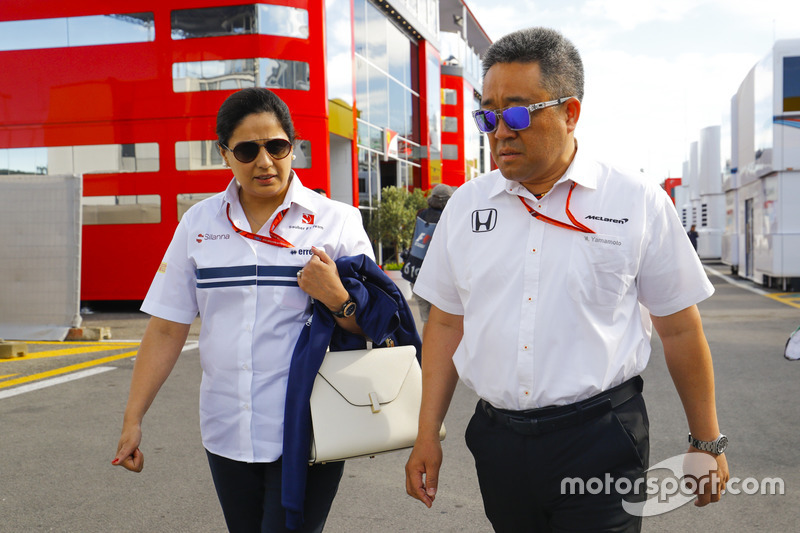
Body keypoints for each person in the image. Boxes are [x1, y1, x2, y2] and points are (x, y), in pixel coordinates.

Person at [404, 27, 729, 532]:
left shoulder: (634, 201)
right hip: (498, 441)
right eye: (486, 114)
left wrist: (706, 440)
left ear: (570, 112)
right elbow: (446, 324)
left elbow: (681, 328)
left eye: (515, 112)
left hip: (599, 440)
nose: (498, 131)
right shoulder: (467, 207)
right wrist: (427, 434)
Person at [113, 88, 378, 533]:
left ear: (292, 146)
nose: (265, 162)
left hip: (311, 430)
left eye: (276, 146)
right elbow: (166, 329)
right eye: (247, 149)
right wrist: (132, 419)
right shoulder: (198, 224)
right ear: (225, 153)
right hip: (226, 431)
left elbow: (374, 326)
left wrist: (336, 297)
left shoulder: (338, 221)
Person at [403, 183, 454, 328]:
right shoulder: (446, 219)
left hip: (414, 271)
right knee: (441, 322)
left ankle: (425, 350)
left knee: (426, 319)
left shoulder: (421, 214)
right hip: (434, 275)